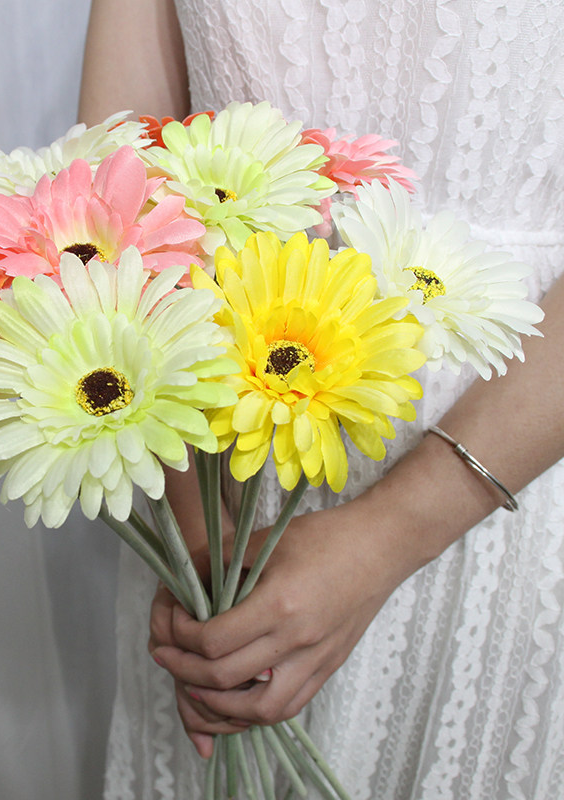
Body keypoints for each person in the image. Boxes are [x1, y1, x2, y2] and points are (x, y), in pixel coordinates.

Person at [79, 1, 564, 797]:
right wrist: (204, 552)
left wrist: (390, 535)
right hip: (215, 473)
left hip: (507, 454)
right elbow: (113, 179)